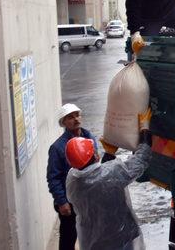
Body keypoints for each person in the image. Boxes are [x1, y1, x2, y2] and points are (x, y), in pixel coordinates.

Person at [65, 109, 153, 250]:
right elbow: (141, 159)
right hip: (121, 238)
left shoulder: (72, 180)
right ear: (94, 156)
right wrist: (144, 128)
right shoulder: (111, 174)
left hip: (92, 242)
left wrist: (109, 154)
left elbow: (99, 179)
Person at [46, 104, 97, 250]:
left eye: (77, 115)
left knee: (91, 235)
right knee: (69, 238)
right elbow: (53, 177)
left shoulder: (89, 138)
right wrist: (62, 202)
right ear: (63, 122)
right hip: (69, 202)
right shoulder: (57, 148)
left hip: (88, 199)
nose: (75, 119)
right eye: (70, 117)